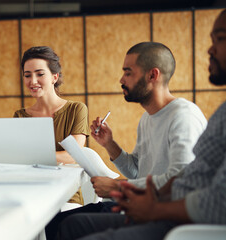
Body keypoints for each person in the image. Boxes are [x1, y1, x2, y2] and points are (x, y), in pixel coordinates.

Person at [55, 9, 226, 240]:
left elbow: (181, 173)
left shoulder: (183, 116)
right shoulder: (147, 118)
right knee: (67, 224)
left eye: (128, 72)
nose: (121, 80)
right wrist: (111, 145)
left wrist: (120, 188)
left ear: (152, 75)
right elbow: (139, 170)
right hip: (154, 207)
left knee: (70, 225)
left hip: (172, 218)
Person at [14, 46, 89, 205]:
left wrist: (28, 158)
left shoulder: (76, 109)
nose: (33, 81)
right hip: (30, 194)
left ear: (54, 77)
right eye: (27, 75)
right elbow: (16, 159)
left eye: (40, 74)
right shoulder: (20, 116)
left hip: (67, 197)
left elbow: (73, 156)